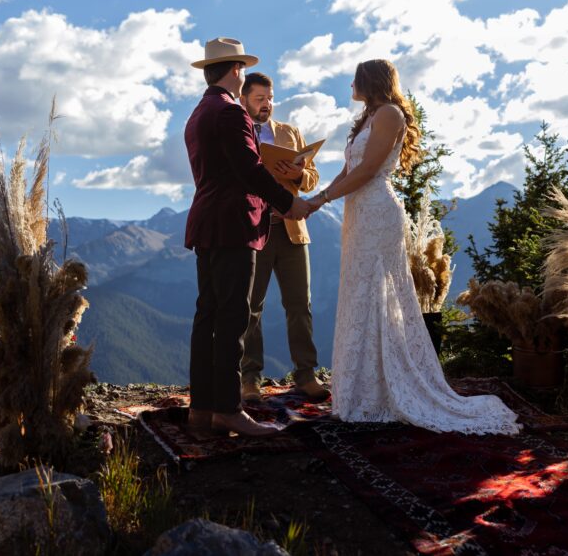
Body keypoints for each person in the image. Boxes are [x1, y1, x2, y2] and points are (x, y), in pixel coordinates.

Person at [305, 59, 520, 435]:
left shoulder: (389, 114)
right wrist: (316, 198)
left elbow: (369, 170)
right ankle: (360, 389)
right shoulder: (371, 116)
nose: (350, 86)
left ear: (369, 81)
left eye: (354, 79)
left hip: (376, 210)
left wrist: (322, 199)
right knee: (359, 290)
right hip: (358, 212)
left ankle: (382, 390)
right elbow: (348, 171)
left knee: (377, 289)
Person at [184, 37, 311, 438]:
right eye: (241, 69)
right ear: (235, 70)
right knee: (233, 318)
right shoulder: (231, 113)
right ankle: (228, 409)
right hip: (235, 223)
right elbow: (250, 170)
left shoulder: (198, 113)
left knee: (207, 317)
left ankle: (201, 410)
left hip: (206, 223)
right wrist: (288, 203)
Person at [237, 72, 328, 402]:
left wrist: (300, 173)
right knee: (250, 308)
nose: (267, 105)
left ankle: (306, 374)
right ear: (244, 99)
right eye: (260, 99)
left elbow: (312, 178)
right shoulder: (237, 131)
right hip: (253, 230)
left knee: (299, 305)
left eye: (270, 98)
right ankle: (250, 379)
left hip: (291, 230)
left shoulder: (289, 132)